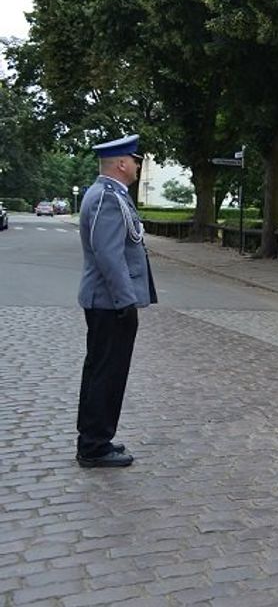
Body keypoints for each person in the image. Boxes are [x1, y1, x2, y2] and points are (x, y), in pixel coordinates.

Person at [76, 133, 157, 468]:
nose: (138, 165)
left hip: (110, 302)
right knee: (106, 373)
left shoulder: (111, 194)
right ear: (122, 164)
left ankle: (97, 437)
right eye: (135, 160)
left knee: (104, 371)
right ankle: (94, 445)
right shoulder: (106, 198)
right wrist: (126, 302)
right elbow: (109, 255)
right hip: (110, 303)